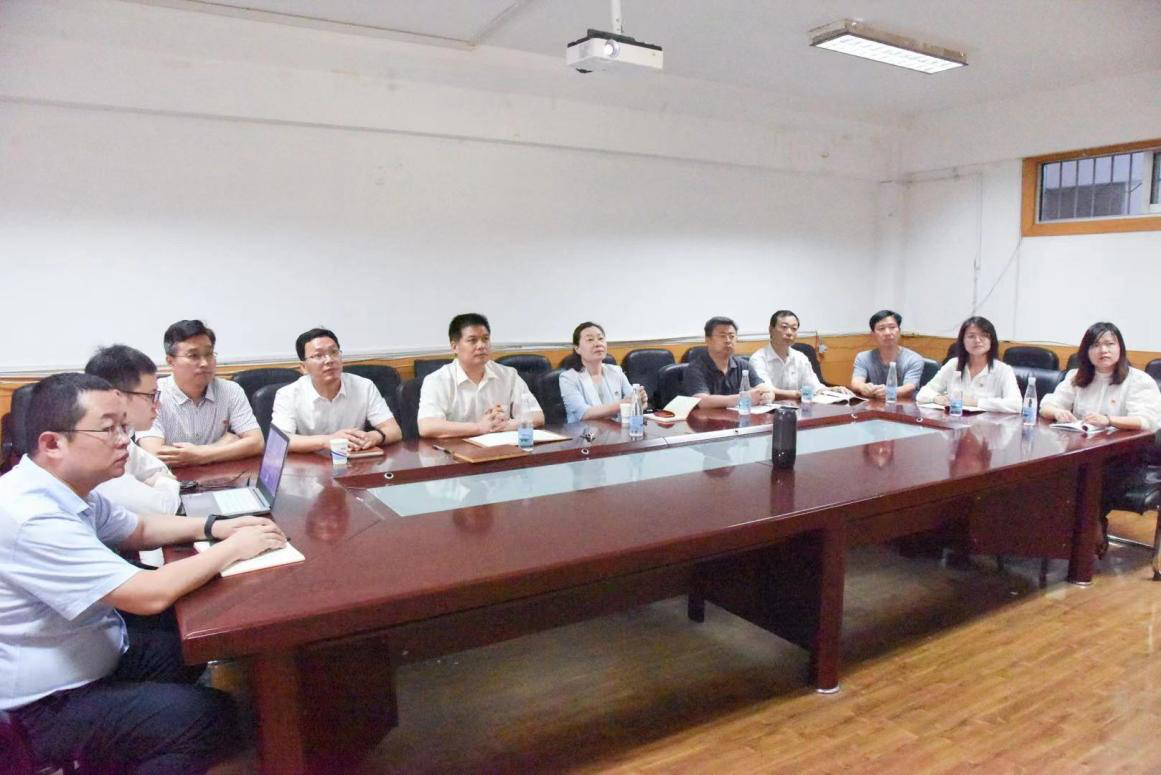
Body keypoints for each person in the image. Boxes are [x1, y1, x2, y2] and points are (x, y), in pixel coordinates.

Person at [0, 373, 287, 773]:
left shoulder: (66, 486)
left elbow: (139, 528)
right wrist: (234, 548)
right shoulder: (30, 516)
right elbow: (146, 594)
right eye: (109, 429)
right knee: (212, 718)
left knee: (192, 640)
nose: (124, 440)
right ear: (52, 443)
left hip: (98, 646)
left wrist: (216, 527)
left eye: (124, 426)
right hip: (44, 707)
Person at [138, 320, 264, 466]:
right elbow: (155, 454)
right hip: (169, 478)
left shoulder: (230, 390)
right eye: (193, 356)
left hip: (219, 477)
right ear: (170, 361)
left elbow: (257, 443)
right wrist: (220, 446)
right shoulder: (152, 395)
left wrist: (201, 455)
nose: (204, 363)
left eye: (209, 354)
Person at [84, 344, 182, 515]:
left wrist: (155, 482)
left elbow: (159, 470)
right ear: (117, 396)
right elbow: (163, 510)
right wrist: (164, 483)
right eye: (151, 395)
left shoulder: (122, 434)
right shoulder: (97, 442)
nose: (158, 405)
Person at [272, 327, 402, 452]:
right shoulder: (287, 394)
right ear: (303, 367)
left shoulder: (364, 386)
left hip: (355, 461)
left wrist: (374, 437)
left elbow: (394, 430)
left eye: (334, 352)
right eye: (318, 355)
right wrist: (326, 441)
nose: (329, 360)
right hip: (311, 463)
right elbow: (278, 442)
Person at [418, 313, 544, 438]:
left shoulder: (508, 375)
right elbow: (427, 426)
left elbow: (537, 416)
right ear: (454, 347)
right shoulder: (437, 380)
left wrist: (507, 425)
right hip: (456, 449)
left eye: (485, 339)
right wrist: (479, 427)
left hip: (500, 446)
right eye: (472, 340)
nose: (481, 345)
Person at [1040, 322, 1161, 431]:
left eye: (1110, 344)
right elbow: (1046, 407)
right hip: (1082, 442)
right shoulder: (1076, 376)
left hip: (1124, 445)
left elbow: (1146, 421)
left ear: (1120, 348)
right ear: (1086, 352)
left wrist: (1109, 420)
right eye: (1095, 345)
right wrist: (1057, 412)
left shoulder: (1139, 380)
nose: (1103, 350)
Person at [916, 316, 1021, 412]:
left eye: (984, 335)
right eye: (971, 336)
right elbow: (923, 393)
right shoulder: (953, 364)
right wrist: (937, 398)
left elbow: (1016, 405)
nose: (977, 340)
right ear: (963, 341)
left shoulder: (1003, 370)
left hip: (987, 425)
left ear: (991, 340)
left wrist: (976, 402)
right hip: (954, 422)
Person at [749, 310, 850, 400]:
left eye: (794, 328)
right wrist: (796, 394)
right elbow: (765, 390)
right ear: (771, 330)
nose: (789, 333)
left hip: (799, 410)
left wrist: (832, 390)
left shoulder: (800, 357)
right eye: (784, 327)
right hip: (769, 411)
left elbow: (814, 387)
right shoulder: (758, 359)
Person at [559, 322, 648, 423]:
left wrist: (640, 401)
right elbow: (584, 414)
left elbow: (633, 401)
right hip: (585, 432)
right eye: (590, 340)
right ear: (577, 349)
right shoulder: (568, 378)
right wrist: (623, 404)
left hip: (616, 430)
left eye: (600, 338)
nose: (598, 344)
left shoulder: (616, 371)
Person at [684, 316, 773, 408]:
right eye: (722, 336)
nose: (728, 340)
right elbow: (702, 402)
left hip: (739, 416)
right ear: (708, 340)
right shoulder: (695, 369)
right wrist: (742, 398)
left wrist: (766, 396)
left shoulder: (743, 365)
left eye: (732, 336)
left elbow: (766, 389)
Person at [851, 310, 924, 400]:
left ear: (899, 331)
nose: (887, 333)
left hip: (903, 405)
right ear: (872, 335)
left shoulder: (913, 359)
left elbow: (909, 387)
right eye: (881, 329)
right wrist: (863, 387)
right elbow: (856, 383)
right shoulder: (863, 358)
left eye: (892, 327)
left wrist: (890, 391)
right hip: (873, 405)